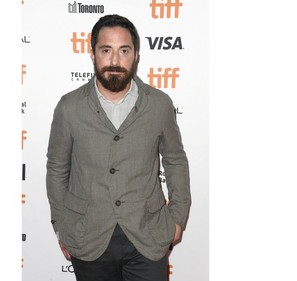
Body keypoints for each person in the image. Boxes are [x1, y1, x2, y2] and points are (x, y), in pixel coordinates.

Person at [46, 14, 191, 281]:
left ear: (136, 55)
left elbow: (175, 161)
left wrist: (178, 217)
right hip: (88, 236)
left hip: (148, 235)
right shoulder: (69, 107)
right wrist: (61, 226)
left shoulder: (159, 104)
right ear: (92, 55)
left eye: (124, 51)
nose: (114, 61)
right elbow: (57, 169)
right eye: (106, 50)